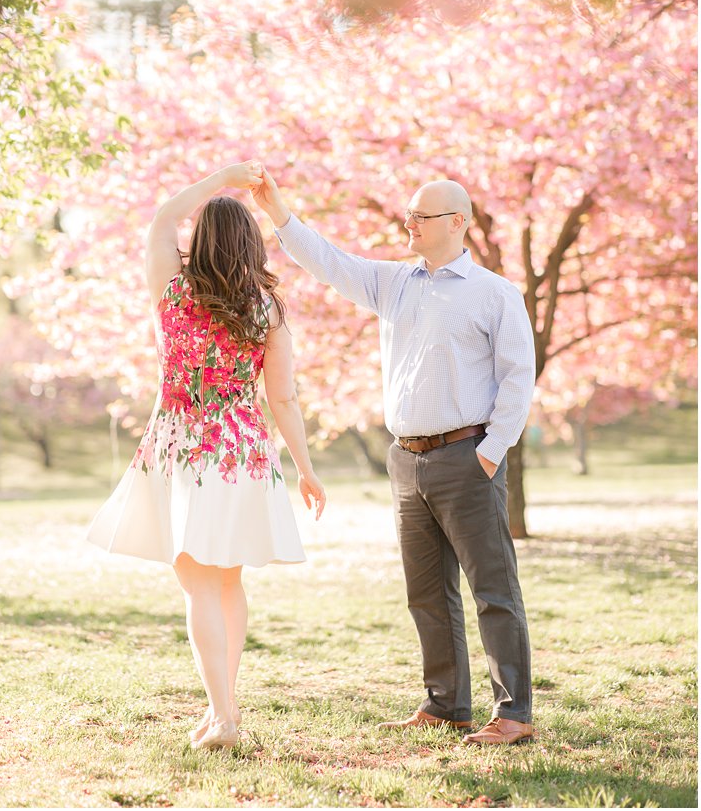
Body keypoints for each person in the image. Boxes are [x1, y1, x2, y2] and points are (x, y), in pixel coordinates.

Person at [252, 172, 537, 746]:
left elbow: (517, 379)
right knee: (426, 592)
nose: (409, 223)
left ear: (458, 222)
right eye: (408, 214)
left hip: (467, 458)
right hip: (406, 461)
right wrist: (280, 213)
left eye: (421, 216)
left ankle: (513, 715)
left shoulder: (494, 293)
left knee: (493, 590)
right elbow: (328, 261)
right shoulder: (393, 283)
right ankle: (446, 704)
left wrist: (490, 453)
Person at [88, 161, 326, 750]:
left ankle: (223, 717)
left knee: (199, 587)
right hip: (242, 450)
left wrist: (222, 178)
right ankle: (223, 709)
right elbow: (284, 398)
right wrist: (306, 468)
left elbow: (165, 214)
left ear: (197, 242)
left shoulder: (172, 287)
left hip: (185, 449)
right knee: (226, 584)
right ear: (249, 245)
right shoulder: (266, 309)